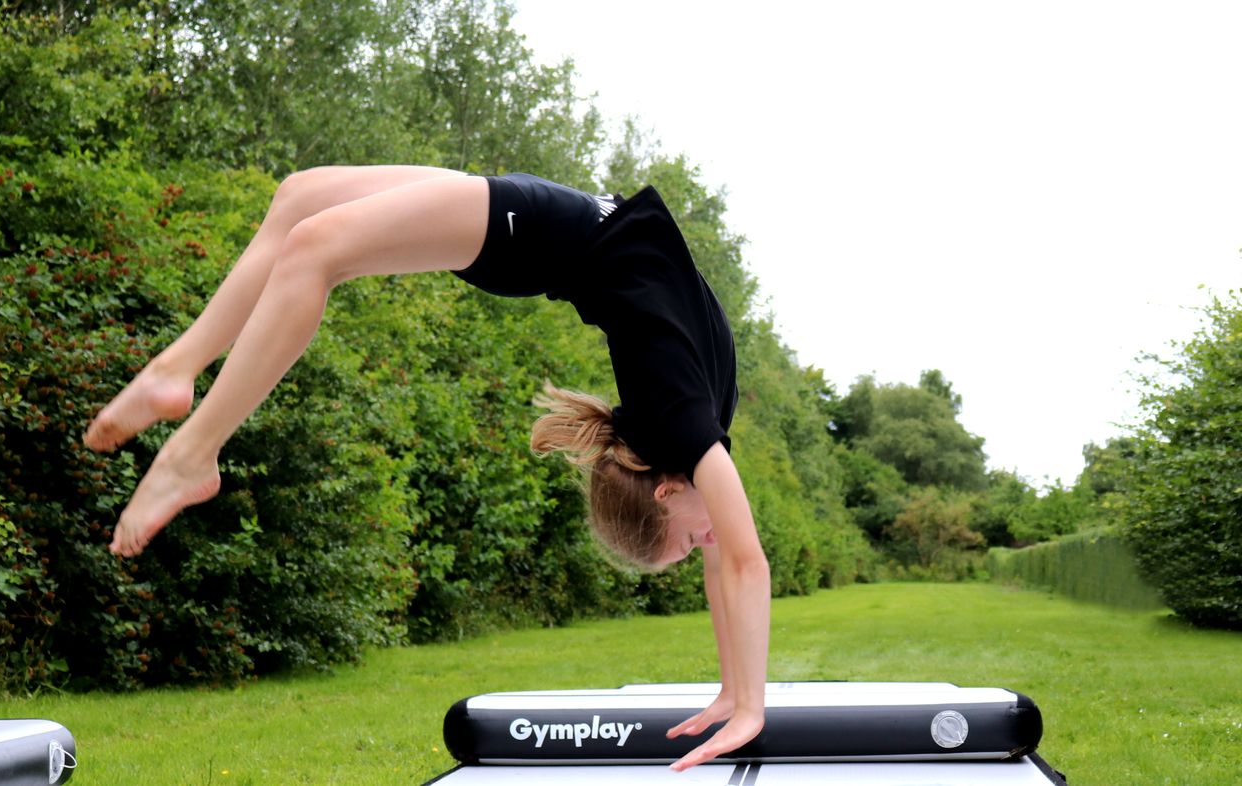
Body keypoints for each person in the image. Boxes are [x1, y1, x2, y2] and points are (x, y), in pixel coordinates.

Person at [82, 168, 770, 772]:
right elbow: (743, 564)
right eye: (688, 543)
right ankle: (191, 440)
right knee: (302, 209)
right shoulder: (684, 423)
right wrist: (747, 707)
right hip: (536, 231)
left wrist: (732, 692)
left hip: (552, 223)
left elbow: (724, 565)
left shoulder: (686, 440)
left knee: (311, 232)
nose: (706, 541)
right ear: (667, 491)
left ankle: (180, 395)